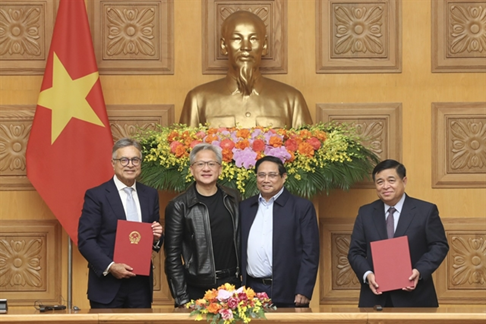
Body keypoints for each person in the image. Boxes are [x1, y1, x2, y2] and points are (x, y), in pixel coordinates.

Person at [180, 10, 313, 129]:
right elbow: (187, 152)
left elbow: (307, 152)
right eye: (237, 38)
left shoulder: (291, 99)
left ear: (264, 45)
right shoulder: (198, 99)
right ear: (224, 45)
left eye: (253, 38)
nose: (246, 47)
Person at [347, 159, 449, 307]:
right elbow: (355, 252)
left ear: (404, 181)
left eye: (391, 180)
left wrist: (419, 271)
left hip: (416, 298)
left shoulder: (425, 211)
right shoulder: (365, 213)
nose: (385, 186)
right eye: (380, 182)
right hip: (376, 299)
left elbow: (439, 246)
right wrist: (367, 274)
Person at [78, 138, 163, 308]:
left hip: (140, 286)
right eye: (124, 160)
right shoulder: (97, 196)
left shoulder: (150, 194)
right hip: (107, 285)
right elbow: (85, 239)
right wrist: (110, 266)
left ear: (140, 163)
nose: (130, 164)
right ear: (113, 163)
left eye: (135, 160)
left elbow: (153, 239)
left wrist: (157, 237)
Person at [164, 143, 241, 307]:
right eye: (200, 164)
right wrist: (182, 299)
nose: (206, 168)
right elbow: (172, 257)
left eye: (211, 164)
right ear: (192, 170)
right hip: (197, 290)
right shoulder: (179, 205)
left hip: (233, 287)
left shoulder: (233, 198)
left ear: (220, 169)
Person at [240, 156, 320, 307]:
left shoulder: (301, 207)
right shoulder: (245, 207)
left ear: (283, 177)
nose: (266, 180)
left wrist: (304, 289)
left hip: (288, 290)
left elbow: (311, 252)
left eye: (272, 175)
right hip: (251, 291)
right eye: (261, 175)